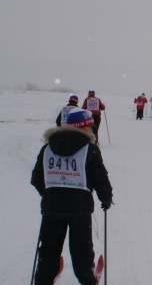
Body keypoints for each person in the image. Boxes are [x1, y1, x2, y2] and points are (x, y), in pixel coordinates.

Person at [31, 108, 113, 285]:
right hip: (80, 209)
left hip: (52, 208)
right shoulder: (89, 149)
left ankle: (43, 278)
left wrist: (50, 194)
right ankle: (86, 278)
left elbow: (37, 179)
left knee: (49, 248)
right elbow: (100, 178)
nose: (92, 129)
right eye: (89, 126)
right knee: (81, 249)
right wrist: (106, 198)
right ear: (82, 128)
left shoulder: (47, 148)